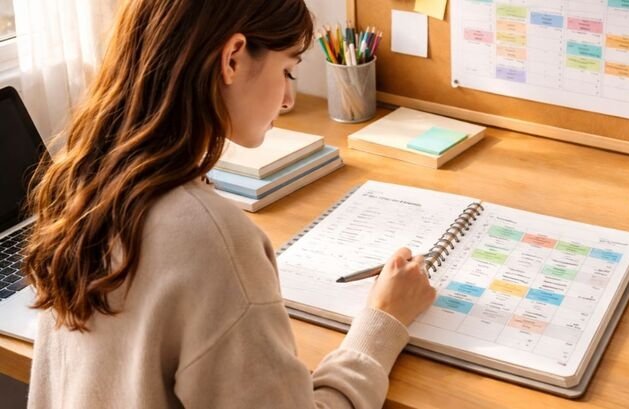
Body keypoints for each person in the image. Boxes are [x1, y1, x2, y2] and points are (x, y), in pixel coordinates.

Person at [22, 1, 436, 408]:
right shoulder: (210, 241)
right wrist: (381, 322)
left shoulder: (77, 183)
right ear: (233, 58)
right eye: (288, 71)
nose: (290, 98)